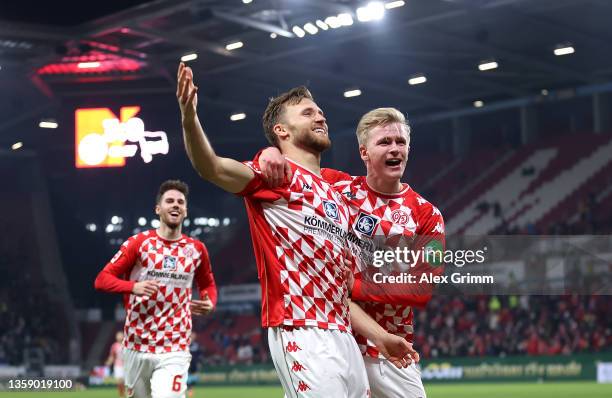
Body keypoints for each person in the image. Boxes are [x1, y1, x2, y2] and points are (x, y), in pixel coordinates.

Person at [176, 63, 416, 398]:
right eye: (307, 113)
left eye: (320, 112)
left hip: (344, 336)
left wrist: (379, 336)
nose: (320, 117)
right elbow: (212, 167)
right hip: (300, 330)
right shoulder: (276, 177)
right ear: (282, 131)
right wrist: (190, 117)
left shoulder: (335, 196)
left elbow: (338, 293)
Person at [259, 107, 445, 398]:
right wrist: (267, 154)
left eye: (400, 142)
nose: (395, 148)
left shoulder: (427, 215)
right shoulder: (337, 186)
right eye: (384, 142)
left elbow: (423, 287)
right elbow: (292, 164)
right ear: (364, 152)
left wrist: (357, 285)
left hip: (390, 350)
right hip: (334, 342)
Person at [94, 179, 217, 398]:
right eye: (170, 201)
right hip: (136, 345)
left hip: (175, 346)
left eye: (180, 202)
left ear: (186, 210)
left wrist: (209, 302)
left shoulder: (196, 249)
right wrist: (133, 287)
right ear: (158, 209)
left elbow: (207, 283)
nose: (176, 205)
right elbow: (102, 280)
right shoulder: (138, 244)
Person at [106, 331, 126, 397]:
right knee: (119, 381)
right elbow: (112, 356)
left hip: (127, 365)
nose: (119, 337)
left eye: (121, 335)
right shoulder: (114, 346)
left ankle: (126, 393)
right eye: (118, 335)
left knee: (125, 382)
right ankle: (122, 395)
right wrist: (108, 362)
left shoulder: (126, 344)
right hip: (118, 365)